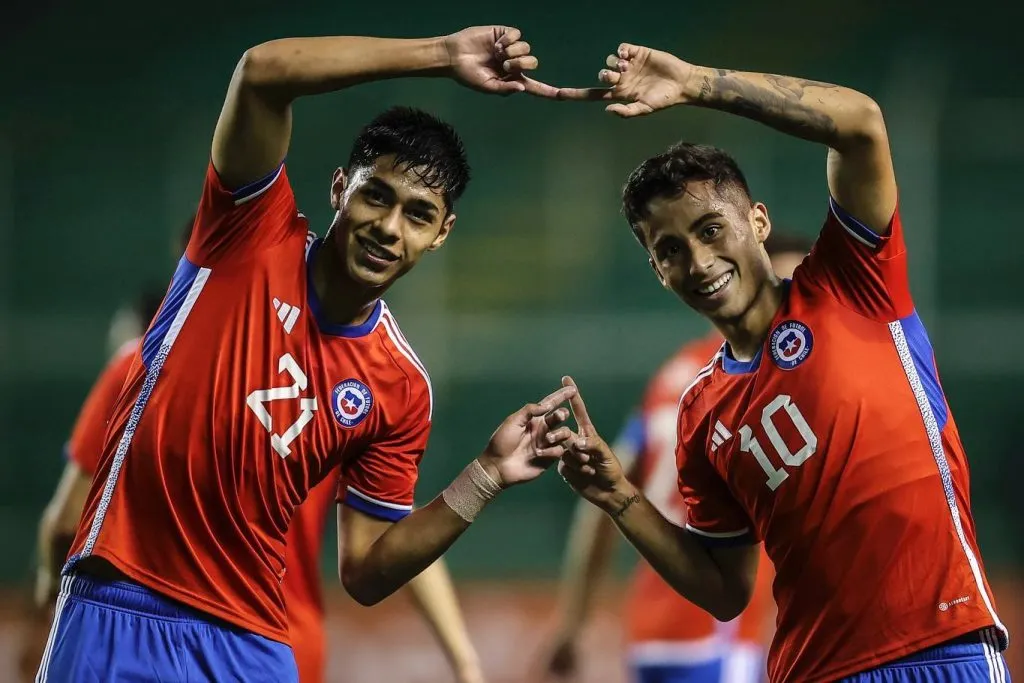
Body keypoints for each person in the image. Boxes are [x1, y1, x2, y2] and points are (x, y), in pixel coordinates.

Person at [36, 25, 572, 682]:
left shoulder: (401, 387)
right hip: (119, 600)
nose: (389, 227)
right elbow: (262, 71)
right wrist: (440, 55)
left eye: (418, 214)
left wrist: (484, 476)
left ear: (441, 233)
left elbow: (366, 571)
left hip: (251, 645)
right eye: (376, 194)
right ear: (340, 187)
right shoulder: (250, 229)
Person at [552, 43, 1011, 683]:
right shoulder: (699, 414)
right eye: (670, 250)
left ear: (758, 221)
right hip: (813, 669)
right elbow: (724, 590)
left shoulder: (851, 280)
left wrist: (696, 82)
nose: (699, 262)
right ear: (658, 271)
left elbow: (860, 123)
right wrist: (618, 497)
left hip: (942, 645)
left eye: (711, 229)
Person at [31, 225, 485, 683]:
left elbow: (65, 522)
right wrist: (463, 658)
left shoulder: (140, 363)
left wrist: (52, 596)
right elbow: (392, 533)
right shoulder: (344, 387)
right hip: (279, 640)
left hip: (146, 613)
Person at [541, 233, 811, 683]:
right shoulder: (764, 380)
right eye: (787, 289)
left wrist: (573, 620)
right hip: (720, 635)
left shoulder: (675, 376)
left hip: (653, 634)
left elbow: (604, 498)